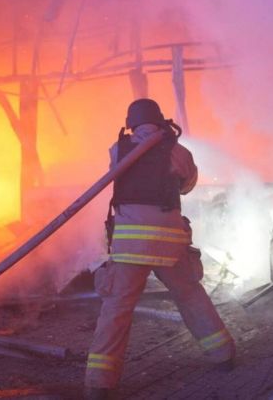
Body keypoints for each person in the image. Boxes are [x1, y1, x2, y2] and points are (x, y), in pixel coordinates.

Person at [85, 98, 235, 399]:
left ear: (131, 123)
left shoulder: (118, 150)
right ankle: (223, 355)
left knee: (116, 309)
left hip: (130, 246)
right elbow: (187, 185)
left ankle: (99, 384)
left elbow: (119, 178)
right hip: (169, 243)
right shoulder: (178, 151)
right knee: (190, 294)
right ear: (160, 120)